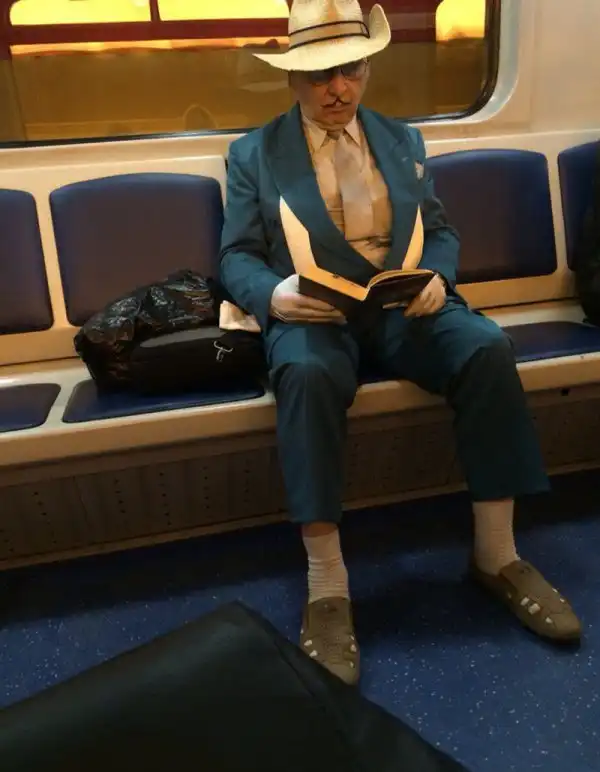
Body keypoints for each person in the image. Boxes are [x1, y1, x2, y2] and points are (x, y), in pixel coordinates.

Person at [219, 0, 581, 685]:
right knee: (306, 376)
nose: (338, 89)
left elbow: (438, 231)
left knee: (485, 348)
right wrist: (273, 296)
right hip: (316, 312)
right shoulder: (254, 154)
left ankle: (497, 554)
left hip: (402, 307)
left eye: (351, 70)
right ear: (293, 80)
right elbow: (236, 255)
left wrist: (439, 275)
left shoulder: (402, 141)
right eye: (320, 75)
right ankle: (328, 585)